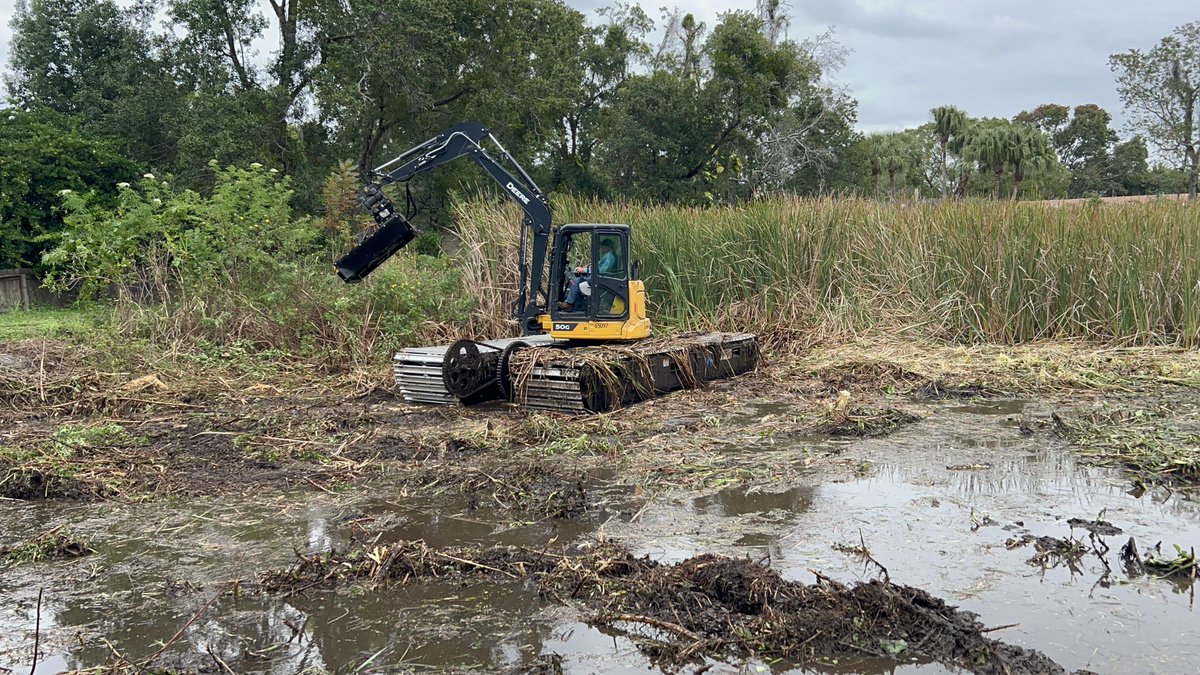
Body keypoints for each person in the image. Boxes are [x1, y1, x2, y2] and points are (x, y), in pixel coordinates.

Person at [558, 238, 618, 310]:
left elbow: (600, 270)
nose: (600, 249)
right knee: (577, 277)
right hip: (602, 278)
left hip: (601, 280)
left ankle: (569, 303)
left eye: (603, 247)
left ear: (608, 248)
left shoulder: (609, 257)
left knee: (576, 281)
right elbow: (598, 266)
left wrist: (584, 270)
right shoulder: (607, 256)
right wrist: (588, 266)